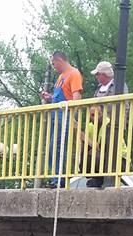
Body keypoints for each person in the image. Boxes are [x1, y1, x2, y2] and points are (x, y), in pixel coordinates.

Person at [40, 52, 83, 187]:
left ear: (59, 60)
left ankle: (59, 179)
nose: (54, 67)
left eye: (54, 64)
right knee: (52, 147)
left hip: (64, 115)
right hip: (56, 115)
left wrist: (72, 114)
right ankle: (55, 178)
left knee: (58, 146)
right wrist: (50, 98)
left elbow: (76, 98)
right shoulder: (60, 77)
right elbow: (60, 97)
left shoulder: (74, 74)